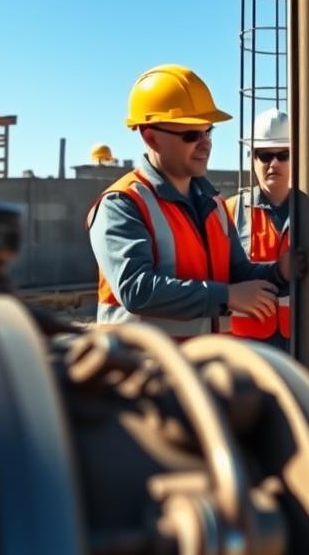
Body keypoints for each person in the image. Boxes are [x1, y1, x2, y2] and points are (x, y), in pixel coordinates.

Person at [87, 64, 288, 337]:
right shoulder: (123, 203)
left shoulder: (213, 204)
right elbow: (137, 289)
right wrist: (226, 296)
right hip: (143, 368)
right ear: (151, 138)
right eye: (191, 135)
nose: (205, 144)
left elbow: (237, 272)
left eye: (208, 132)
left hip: (204, 366)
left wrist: (279, 273)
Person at [227, 108, 294, 351]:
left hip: (303, 341)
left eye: (283, 155)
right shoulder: (229, 211)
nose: (273, 163)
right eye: (264, 155)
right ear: (251, 158)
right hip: (246, 344)